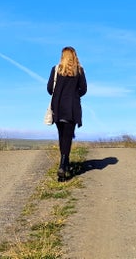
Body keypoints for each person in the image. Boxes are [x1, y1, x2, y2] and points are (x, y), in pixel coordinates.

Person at [47, 46, 87, 180]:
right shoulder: (79, 71)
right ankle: (64, 165)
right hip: (72, 107)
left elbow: (49, 89)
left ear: (62, 56)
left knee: (62, 135)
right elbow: (84, 89)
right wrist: (75, 95)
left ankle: (64, 164)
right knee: (68, 137)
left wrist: (59, 94)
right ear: (75, 56)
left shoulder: (56, 69)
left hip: (58, 107)